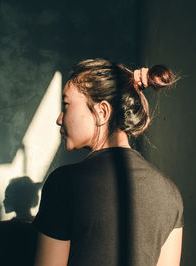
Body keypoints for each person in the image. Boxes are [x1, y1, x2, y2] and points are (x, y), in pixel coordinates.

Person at [33, 58, 184, 266]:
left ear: (102, 112)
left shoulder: (63, 183)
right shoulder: (170, 193)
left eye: (66, 105)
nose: (60, 118)